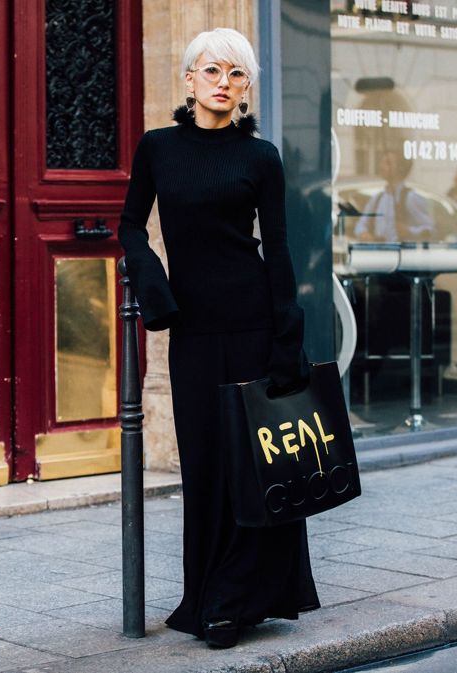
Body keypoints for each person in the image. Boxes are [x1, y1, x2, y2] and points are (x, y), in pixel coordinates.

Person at [117, 28, 320, 649]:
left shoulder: (261, 157)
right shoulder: (158, 149)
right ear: (189, 80)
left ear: (246, 86)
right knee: (206, 459)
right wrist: (155, 291)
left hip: (255, 322)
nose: (224, 83)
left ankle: (234, 600)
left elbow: (279, 248)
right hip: (196, 330)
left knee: (255, 462)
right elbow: (129, 227)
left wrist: (289, 335)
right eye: (212, 71)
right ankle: (208, 593)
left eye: (236, 74)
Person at [353, 149, 434, 241]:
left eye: (388, 163)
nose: (381, 166)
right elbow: (361, 223)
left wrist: (409, 231)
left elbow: (429, 229)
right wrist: (363, 233)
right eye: (382, 162)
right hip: (379, 253)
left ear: (400, 168)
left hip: (403, 253)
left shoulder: (411, 198)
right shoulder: (377, 198)